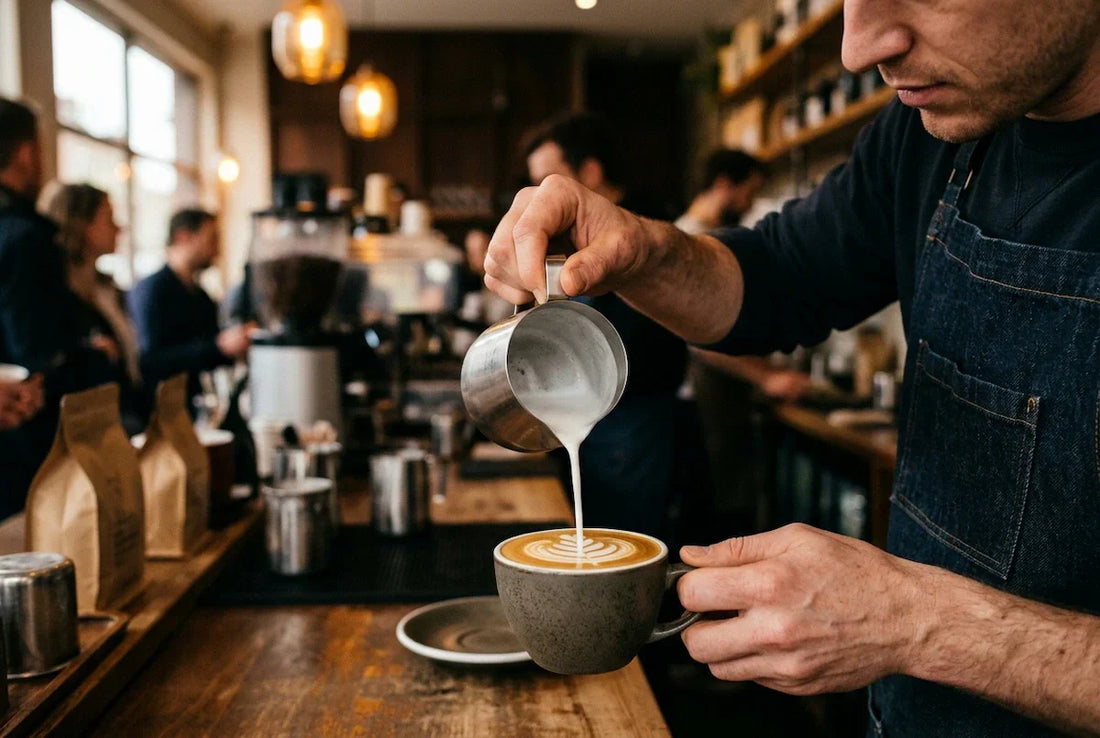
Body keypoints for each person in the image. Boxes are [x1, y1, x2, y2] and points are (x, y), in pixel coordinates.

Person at [482, 1, 1100, 734]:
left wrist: (920, 622)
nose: (858, 46)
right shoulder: (932, 133)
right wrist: (645, 251)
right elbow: (778, 279)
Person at [522, 112, 690, 539]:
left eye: (550, 182)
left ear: (590, 172)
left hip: (634, 421)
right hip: (591, 421)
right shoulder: (573, 241)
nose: (542, 197)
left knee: (626, 545)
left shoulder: (646, 226)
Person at [0, 98, 113, 515]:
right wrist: (90, 358)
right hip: (25, 446)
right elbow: (38, 351)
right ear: (27, 153)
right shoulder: (25, 238)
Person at [40, 183, 147, 432]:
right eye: (108, 219)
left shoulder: (106, 288)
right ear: (81, 224)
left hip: (126, 414)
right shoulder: (59, 294)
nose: (119, 228)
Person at [129, 209, 252, 415]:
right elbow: (150, 361)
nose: (217, 249)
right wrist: (219, 346)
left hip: (198, 405)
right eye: (211, 239)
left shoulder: (201, 295)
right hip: (163, 412)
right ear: (183, 237)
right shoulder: (153, 290)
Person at [675, 148, 767, 233]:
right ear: (724, 184)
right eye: (749, 194)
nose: (750, 206)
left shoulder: (709, 232)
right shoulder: (690, 236)